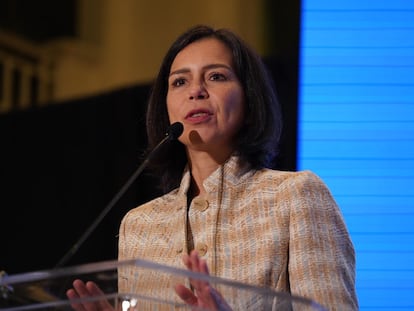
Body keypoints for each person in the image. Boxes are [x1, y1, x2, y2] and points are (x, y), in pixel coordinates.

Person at [67, 24, 358, 310]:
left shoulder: (296, 196)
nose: (196, 91)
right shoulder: (139, 226)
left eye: (216, 76)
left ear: (249, 99)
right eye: (180, 82)